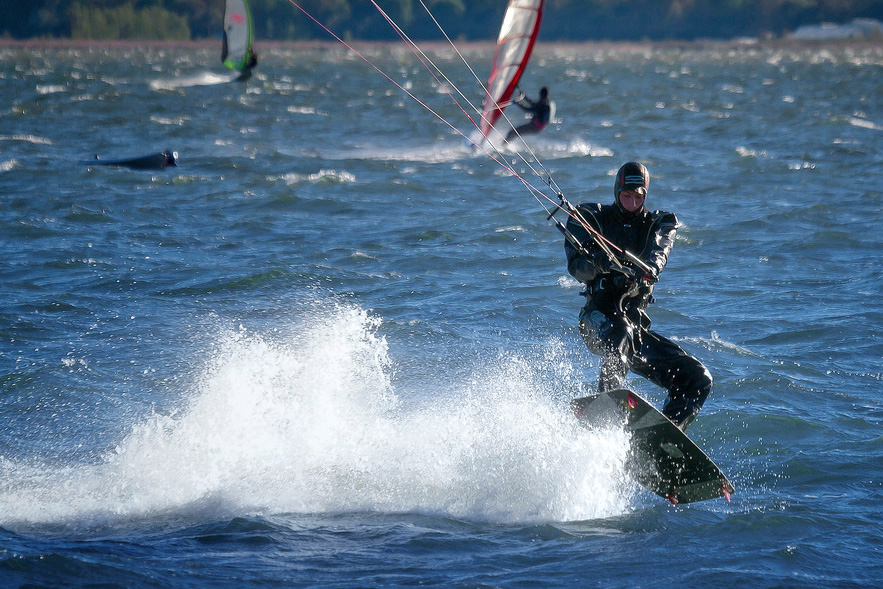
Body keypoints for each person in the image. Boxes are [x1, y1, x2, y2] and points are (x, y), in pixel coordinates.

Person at [564, 162, 712, 431]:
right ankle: (604, 410)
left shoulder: (659, 223)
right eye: (626, 196)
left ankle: (661, 439)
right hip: (597, 322)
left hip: (635, 332)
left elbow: (660, 251)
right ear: (617, 191)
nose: (632, 203)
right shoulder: (590, 217)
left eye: (639, 197)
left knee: (697, 378)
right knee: (620, 332)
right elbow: (576, 267)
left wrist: (648, 269)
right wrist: (601, 264)